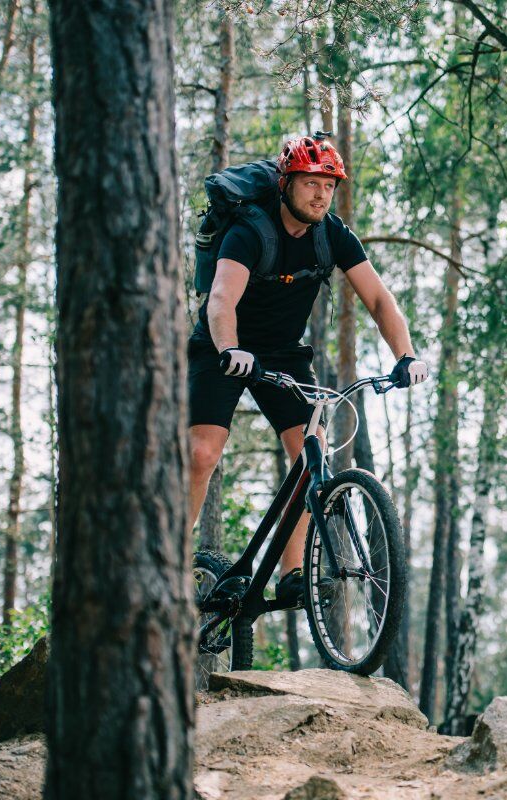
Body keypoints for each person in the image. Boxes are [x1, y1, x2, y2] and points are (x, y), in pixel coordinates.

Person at [187, 134, 429, 607]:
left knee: (308, 455)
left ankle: (293, 570)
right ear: (286, 184)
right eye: (310, 183)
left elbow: (379, 299)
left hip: (283, 354)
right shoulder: (249, 232)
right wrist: (231, 350)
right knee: (202, 452)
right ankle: (168, 564)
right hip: (223, 347)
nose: (320, 194)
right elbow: (221, 301)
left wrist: (406, 354)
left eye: (328, 185)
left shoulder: (332, 234)